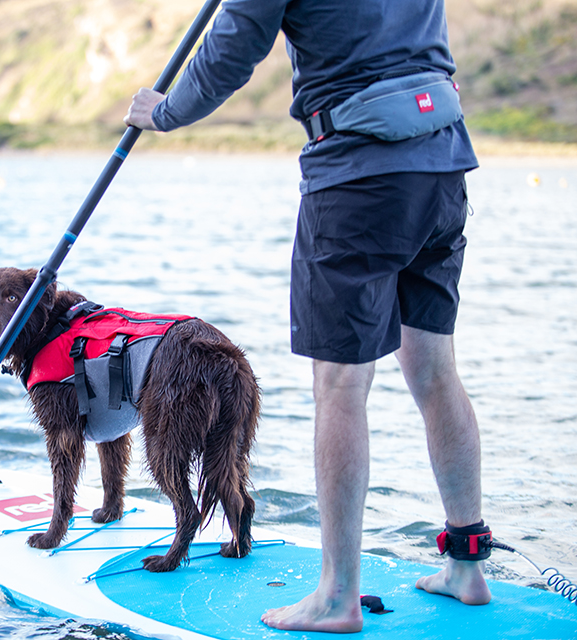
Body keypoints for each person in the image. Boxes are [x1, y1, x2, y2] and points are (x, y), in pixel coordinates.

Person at [124, 0, 492, 633]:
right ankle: (466, 565)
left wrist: (162, 112)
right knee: (434, 370)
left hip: (358, 179)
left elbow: (229, 54)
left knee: (341, 385)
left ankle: (337, 596)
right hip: (443, 163)